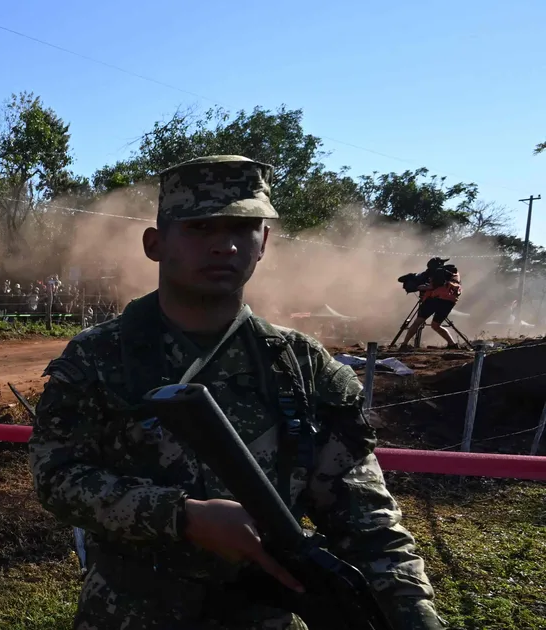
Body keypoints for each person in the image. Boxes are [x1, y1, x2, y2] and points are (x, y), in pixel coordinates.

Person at [29, 155, 443, 629]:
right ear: (155, 243)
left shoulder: (302, 364)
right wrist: (180, 516)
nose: (224, 245)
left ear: (263, 243)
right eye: (200, 227)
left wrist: (414, 616)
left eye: (243, 228)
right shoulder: (97, 356)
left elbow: (367, 521)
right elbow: (57, 476)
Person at [398, 257, 461, 350]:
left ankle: (404, 344)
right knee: (436, 325)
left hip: (433, 299)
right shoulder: (452, 272)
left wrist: (422, 287)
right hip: (448, 302)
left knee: (418, 322)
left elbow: (435, 284)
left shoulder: (438, 273)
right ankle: (452, 344)